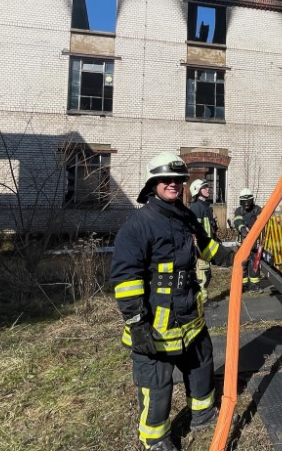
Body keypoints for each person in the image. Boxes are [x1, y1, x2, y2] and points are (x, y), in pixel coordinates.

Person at [111, 152, 232, 451]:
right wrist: (137, 323)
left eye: (179, 180)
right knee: (156, 383)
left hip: (190, 313)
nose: (174, 185)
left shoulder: (186, 216)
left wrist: (237, 257)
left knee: (202, 364)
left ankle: (203, 414)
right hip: (155, 322)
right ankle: (155, 439)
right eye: (167, 180)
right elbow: (126, 278)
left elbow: (208, 247)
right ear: (153, 184)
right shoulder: (139, 225)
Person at [188, 179, 220, 300]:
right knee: (202, 274)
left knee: (207, 273)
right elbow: (194, 231)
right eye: (204, 188)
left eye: (207, 187)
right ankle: (203, 301)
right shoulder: (196, 208)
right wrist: (197, 248)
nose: (208, 189)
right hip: (200, 248)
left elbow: (210, 228)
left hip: (207, 245)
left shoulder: (206, 207)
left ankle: (203, 299)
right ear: (197, 191)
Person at [232, 188, 263, 291]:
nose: (246, 204)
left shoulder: (257, 210)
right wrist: (242, 229)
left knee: (254, 263)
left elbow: (261, 222)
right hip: (242, 243)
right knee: (242, 264)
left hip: (255, 243)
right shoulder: (238, 211)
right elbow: (237, 221)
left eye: (248, 201)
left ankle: (254, 285)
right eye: (244, 201)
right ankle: (243, 285)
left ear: (252, 200)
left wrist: (253, 229)